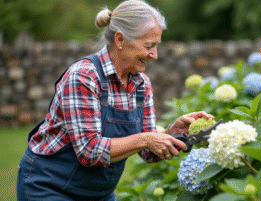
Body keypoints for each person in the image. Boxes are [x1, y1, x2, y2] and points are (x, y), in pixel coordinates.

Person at [16, 0, 214, 200]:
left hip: (99, 194)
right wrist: (147, 139)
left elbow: (147, 152)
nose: (154, 55)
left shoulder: (141, 84)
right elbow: (89, 151)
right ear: (120, 40)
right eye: (149, 46)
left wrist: (173, 132)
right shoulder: (84, 76)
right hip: (49, 187)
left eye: (156, 46)